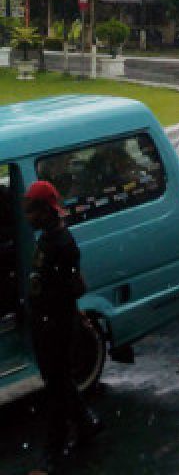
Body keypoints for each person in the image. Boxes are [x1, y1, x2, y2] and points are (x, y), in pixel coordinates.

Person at [24, 181, 102, 470]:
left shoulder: (61, 244)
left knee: (56, 386)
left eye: (32, 210)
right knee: (59, 381)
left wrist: (63, 310)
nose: (28, 217)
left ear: (45, 210)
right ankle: (86, 423)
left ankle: (52, 452)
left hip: (55, 324)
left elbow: (73, 287)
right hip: (49, 320)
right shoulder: (49, 239)